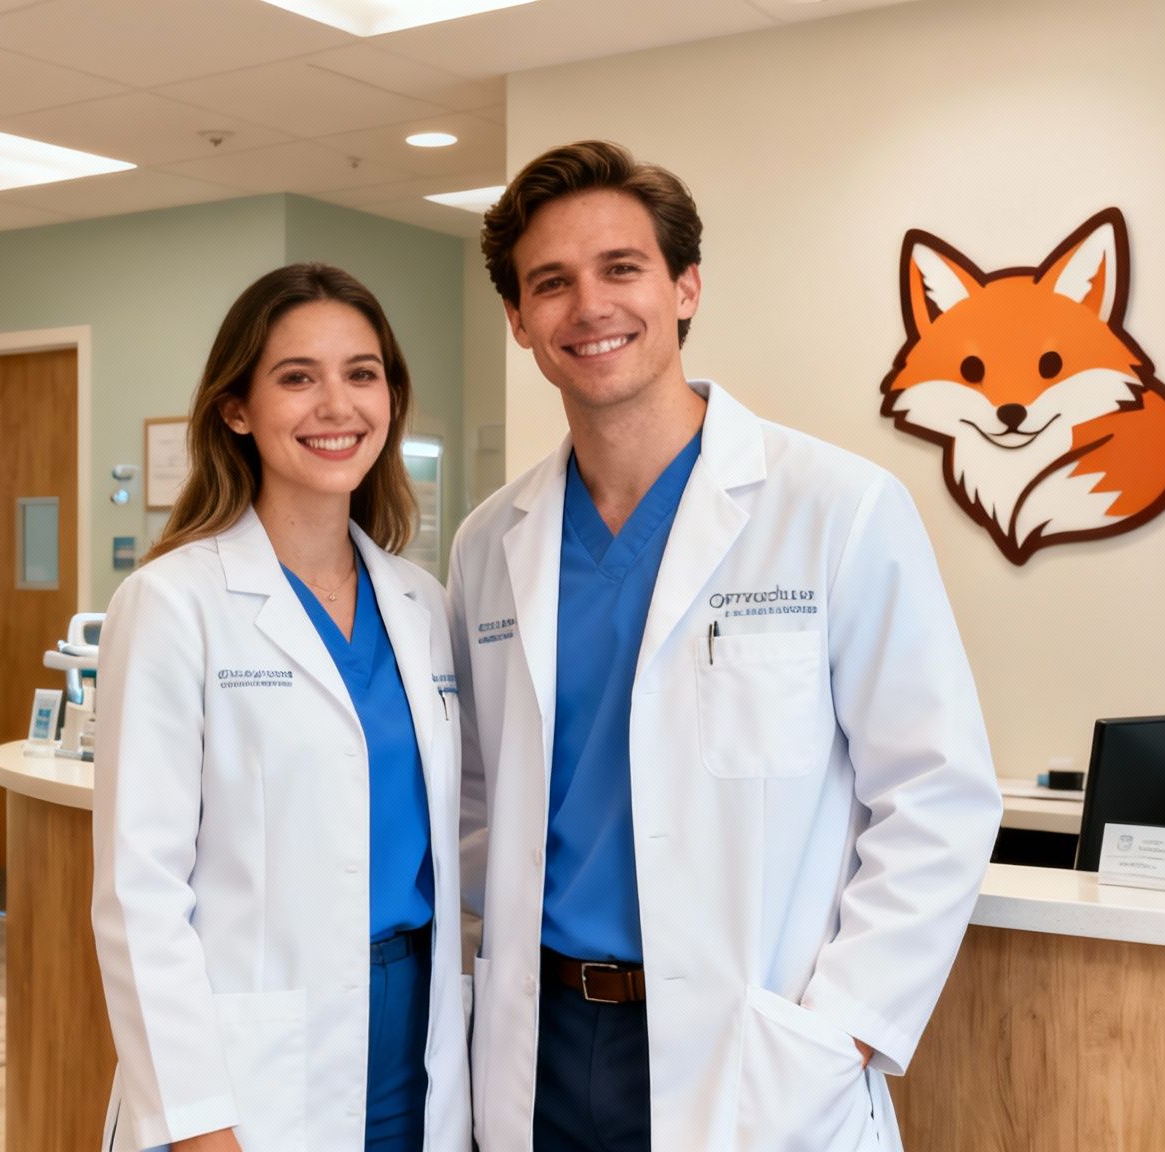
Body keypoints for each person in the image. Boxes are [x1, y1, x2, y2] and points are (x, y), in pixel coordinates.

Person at [451, 141, 1004, 1152]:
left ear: (684, 285)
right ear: (517, 319)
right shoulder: (490, 542)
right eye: (550, 283)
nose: (588, 306)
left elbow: (936, 794)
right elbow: (477, 801)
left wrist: (839, 1031)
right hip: (539, 1043)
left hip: (750, 1052)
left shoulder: (833, 509)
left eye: (621, 268)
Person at [92, 264, 469, 1152]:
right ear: (237, 409)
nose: (336, 405)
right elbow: (137, 895)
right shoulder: (172, 603)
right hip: (248, 1065)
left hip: (418, 1038)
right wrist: (196, 1121)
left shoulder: (421, 605)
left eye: (362, 373)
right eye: (297, 377)